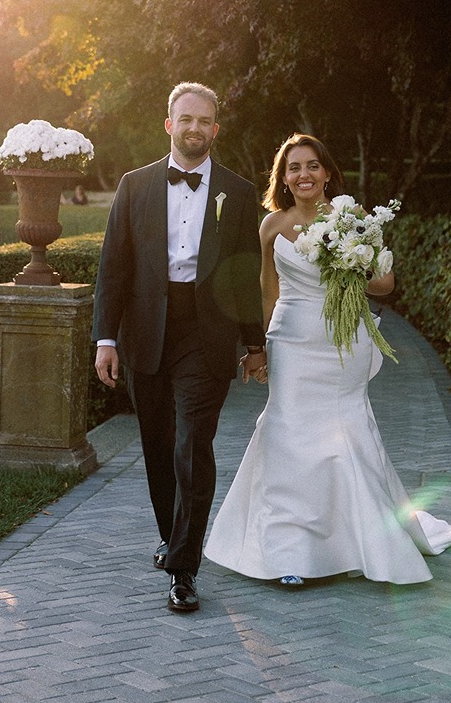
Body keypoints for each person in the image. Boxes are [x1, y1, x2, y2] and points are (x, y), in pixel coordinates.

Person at [205, 133, 451, 586]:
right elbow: (267, 295)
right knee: (286, 432)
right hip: (290, 342)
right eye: (294, 167)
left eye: (312, 165)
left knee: (342, 433)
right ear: (283, 178)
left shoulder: (353, 219)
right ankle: (290, 551)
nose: (304, 174)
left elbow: (386, 284)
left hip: (342, 343)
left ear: (328, 172)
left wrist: (348, 264)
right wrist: (258, 349)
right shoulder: (271, 226)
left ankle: (352, 541)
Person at [92, 82, 267, 613]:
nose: (194, 128)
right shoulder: (134, 185)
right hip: (145, 329)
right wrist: (105, 337)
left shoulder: (237, 193)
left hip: (205, 334)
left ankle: (184, 569)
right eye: (184, 119)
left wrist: (254, 345)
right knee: (158, 445)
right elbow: (113, 266)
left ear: (216, 129)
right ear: (169, 125)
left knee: (193, 443)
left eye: (204, 120)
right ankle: (174, 537)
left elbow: (243, 277)